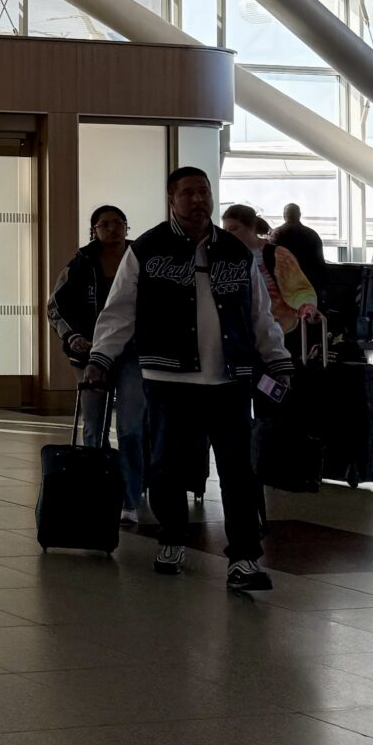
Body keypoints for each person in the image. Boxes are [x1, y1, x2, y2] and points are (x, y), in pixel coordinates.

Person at [86, 166, 291, 590]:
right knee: (166, 467)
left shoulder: (235, 251)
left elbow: (259, 314)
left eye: (204, 192)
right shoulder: (147, 249)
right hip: (169, 378)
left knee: (238, 470)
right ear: (171, 200)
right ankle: (173, 537)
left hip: (230, 380)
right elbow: (120, 309)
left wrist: (278, 360)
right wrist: (100, 358)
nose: (198, 200)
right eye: (188, 194)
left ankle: (245, 560)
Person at [52, 204, 151, 526]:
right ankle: (93, 491)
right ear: (93, 230)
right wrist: (73, 337)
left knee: (131, 429)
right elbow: (55, 306)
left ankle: (130, 497)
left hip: (133, 354)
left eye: (118, 223)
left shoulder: (143, 259)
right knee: (93, 428)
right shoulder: (81, 264)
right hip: (90, 353)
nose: (112, 229)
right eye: (104, 224)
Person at [222, 204, 319, 335]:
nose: (228, 235)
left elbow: (298, 288)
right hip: (244, 333)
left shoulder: (277, 254)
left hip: (278, 331)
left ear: (251, 227)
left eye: (233, 229)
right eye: (225, 231)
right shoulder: (227, 258)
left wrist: (307, 307)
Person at [275, 203, 330, 290]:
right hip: (308, 282)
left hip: (284, 285)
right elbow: (320, 263)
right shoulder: (312, 234)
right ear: (299, 215)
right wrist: (323, 287)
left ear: (284, 216)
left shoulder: (276, 235)